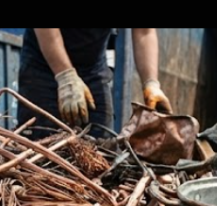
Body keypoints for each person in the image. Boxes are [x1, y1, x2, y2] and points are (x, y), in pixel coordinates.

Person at [18, 28, 171, 136]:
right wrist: (65, 76)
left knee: (101, 147)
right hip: (45, 68)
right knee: (42, 144)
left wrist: (151, 83)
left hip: (92, 69)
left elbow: (144, 32)